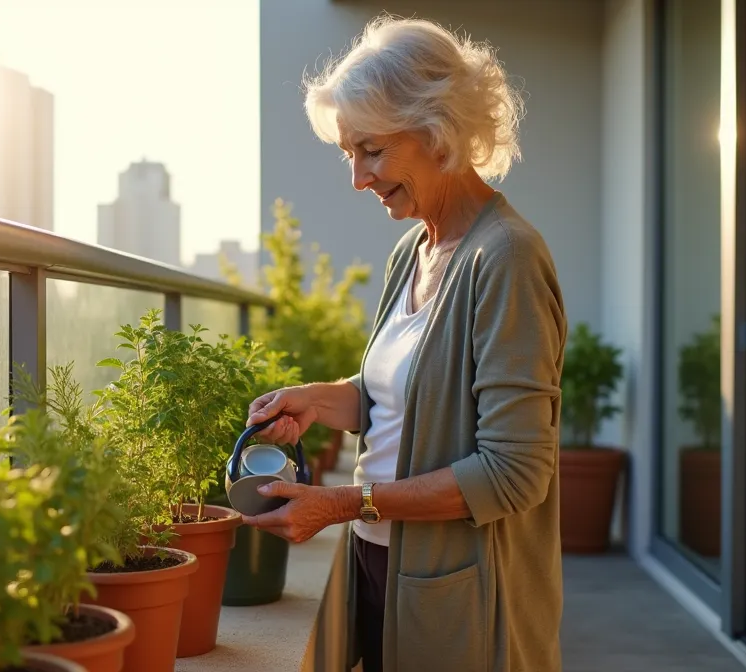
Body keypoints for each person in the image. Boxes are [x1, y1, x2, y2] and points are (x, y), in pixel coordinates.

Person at [240, 15, 567, 672]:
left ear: (436, 131)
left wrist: (342, 501)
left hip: (464, 593)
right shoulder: (412, 251)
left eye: (372, 150)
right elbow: (406, 402)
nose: (358, 177)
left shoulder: (505, 258)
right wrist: (322, 399)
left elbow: (515, 472)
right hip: (378, 566)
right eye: (347, 153)